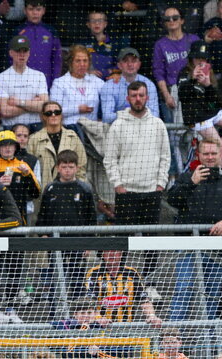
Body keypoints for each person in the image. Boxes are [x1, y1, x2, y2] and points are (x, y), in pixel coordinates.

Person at [166, 139, 222, 320]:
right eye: (206, 154)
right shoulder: (187, 177)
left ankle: (209, 345)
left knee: (213, 297)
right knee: (183, 291)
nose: (210, 157)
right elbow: (171, 200)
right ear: (199, 155)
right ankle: (171, 340)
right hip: (188, 246)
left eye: (213, 153)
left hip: (218, 250)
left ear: (220, 155)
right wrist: (192, 183)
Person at [104, 81, 169, 229]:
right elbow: (110, 160)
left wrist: (160, 185)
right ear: (128, 99)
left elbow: (165, 157)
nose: (138, 99)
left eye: (141, 95)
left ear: (147, 97)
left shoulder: (158, 124)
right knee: (124, 241)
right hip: (126, 193)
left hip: (152, 192)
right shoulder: (117, 126)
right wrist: (118, 186)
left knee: (150, 245)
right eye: (134, 95)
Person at [177, 40, 222, 152]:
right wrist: (192, 80)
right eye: (198, 58)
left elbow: (216, 101)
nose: (201, 61)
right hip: (196, 118)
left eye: (203, 58)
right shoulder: (185, 73)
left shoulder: (208, 73)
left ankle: (219, 147)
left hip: (208, 113)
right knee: (220, 147)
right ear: (191, 59)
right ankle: (220, 158)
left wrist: (208, 85)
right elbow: (182, 96)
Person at [83, 250, 162, 326]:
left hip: (126, 327)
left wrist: (151, 315)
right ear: (102, 254)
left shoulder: (131, 273)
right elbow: (90, 301)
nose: (111, 254)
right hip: (100, 327)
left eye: (115, 251)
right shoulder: (94, 273)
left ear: (121, 253)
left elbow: (144, 300)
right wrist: (98, 318)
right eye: (107, 251)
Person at [153, 5, 201, 124]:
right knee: (175, 132)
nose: (171, 21)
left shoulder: (193, 40)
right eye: (167, 19)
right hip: (172, 90)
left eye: (175, 18)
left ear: (182, 20)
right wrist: (166, 95)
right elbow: (158, 72)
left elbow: (202, 64)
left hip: (193, 89)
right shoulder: (160, 44)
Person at [26, 101, 87, 194]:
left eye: (57, 112)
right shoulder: (34, 140)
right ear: (43, 116)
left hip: (70, 190)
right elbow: (30, 168)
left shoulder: (73, 137)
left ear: (61, 115)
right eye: (49, 113)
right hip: (43, 193)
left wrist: (78, 187)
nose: (53, 115)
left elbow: (81, 166)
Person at [0, 35, 48, 131]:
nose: (22, 54)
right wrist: (32, 105)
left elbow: (44, 106)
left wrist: (19, 102)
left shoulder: (39, 76)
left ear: (29, 53)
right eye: (18, 51)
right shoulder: (1, 78)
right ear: (11, 53)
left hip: (35, 126)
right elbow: (5, 111)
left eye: (25, 51)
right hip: (11, 127)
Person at [99, 48, 159, 124]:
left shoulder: (149, 85)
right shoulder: (109, 86)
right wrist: (134, 114)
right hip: (118, 131)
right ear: (119, 65)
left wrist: (127, 115)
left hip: (144, 129)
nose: (130, 64)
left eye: (133, 61)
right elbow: (107, 117)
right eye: (125, 61)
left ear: (139, 64)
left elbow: (155, 115)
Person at [0, 130, 40, 225]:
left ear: (15, 147)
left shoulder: (23, 166)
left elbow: (35, 193)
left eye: (10, 144)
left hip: (20, 216)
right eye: (3, 145)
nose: (7, 148)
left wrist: (27, 175)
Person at [49, 45, 103, 126]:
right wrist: (77, 109)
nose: (82, 64)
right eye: (78, 61)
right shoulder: (59, 83)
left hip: (92, 130)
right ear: (71, 63)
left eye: (85, 61)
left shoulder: (95, 81)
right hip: (69, 129)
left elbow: (111, 90)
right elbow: (53, 111)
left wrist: (116, 76)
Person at [15, 0, 62, 87]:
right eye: (31, 9)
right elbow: (11, 58)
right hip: (22, 81)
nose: (35, 13)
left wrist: (55, 81)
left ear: (43, 11)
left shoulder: (51, 31)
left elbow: (57, 60)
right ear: (25, 10)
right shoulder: (17, 32)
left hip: (46, 81)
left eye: (38, 9)